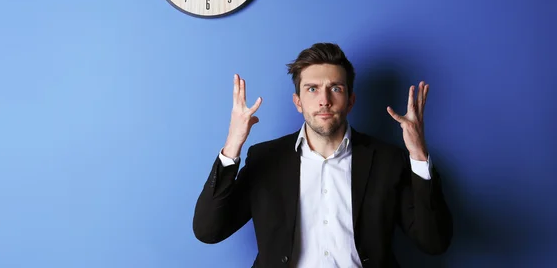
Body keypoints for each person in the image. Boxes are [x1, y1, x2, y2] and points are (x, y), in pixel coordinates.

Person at [193, 43, 452, 268]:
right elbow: (208, 230)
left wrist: (418, 153)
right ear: (298, 102)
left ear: (350, 101)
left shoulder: (388, 160)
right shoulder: (266, 159)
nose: (324, 100)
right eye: (312, 89)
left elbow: (434, 242)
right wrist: (233, 144)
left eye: (336, 88)